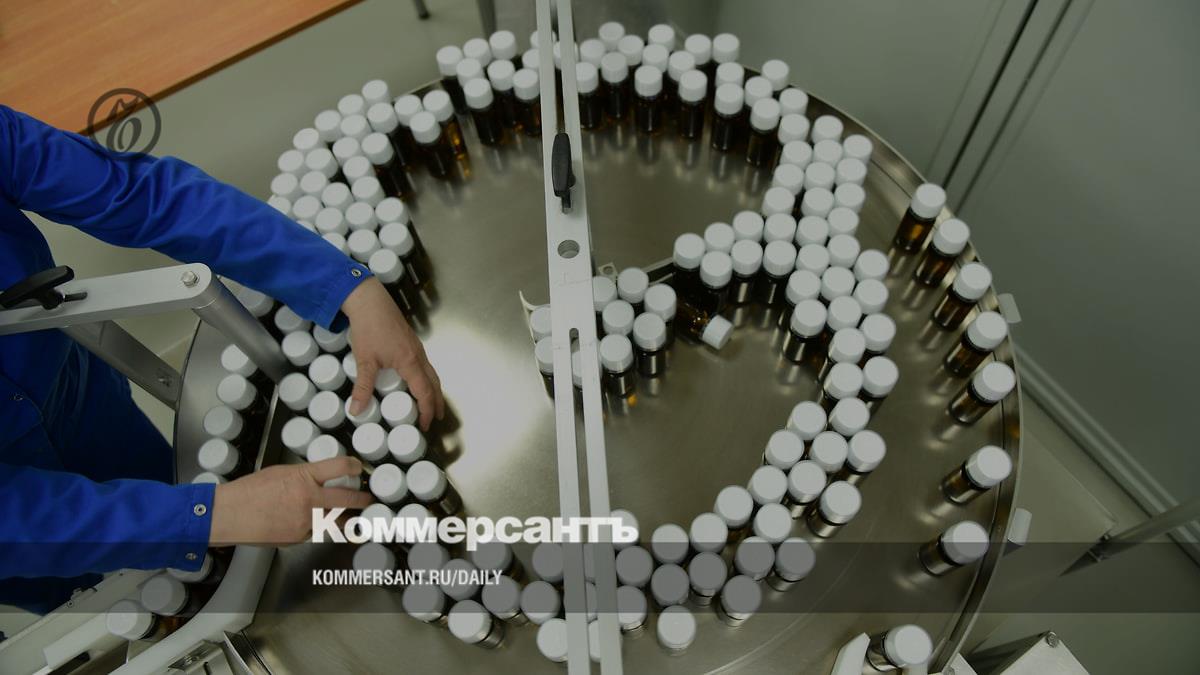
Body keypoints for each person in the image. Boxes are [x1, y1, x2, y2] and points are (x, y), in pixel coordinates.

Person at [0, 105, 444, 613]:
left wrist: (347, 288)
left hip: (72, 393)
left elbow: (141, 195)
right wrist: (206, 518)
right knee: (95, 605)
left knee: (170, 504)